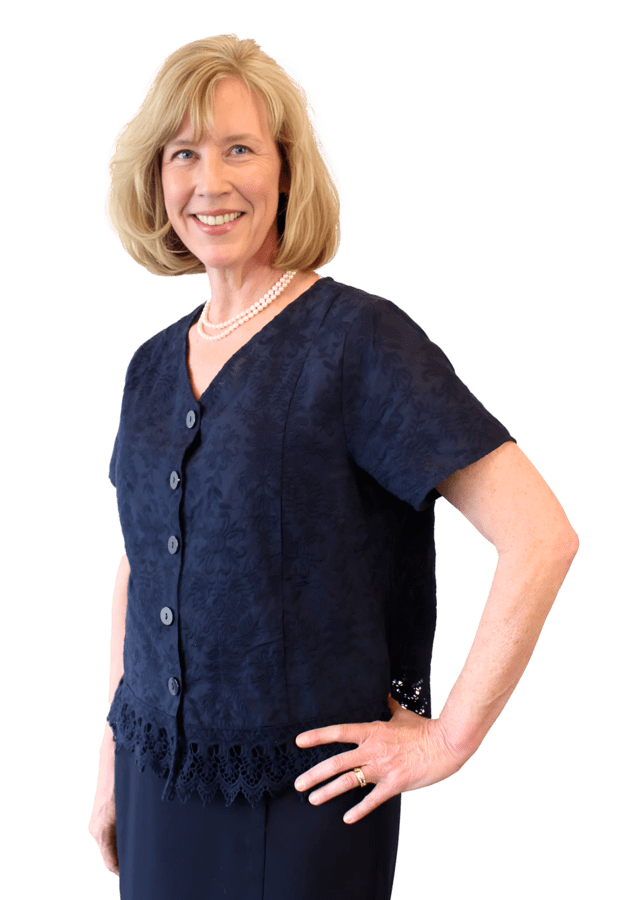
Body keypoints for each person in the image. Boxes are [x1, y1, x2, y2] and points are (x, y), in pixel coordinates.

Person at [87, 32, 580, 900]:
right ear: (154, 179)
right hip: (154, 781)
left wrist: (447, 740)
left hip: (307, 800)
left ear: (286, 169)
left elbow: (540, 537)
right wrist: (109, 761)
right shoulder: (151, 364)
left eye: (240, 149)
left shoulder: (357, 341)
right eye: (183, 153)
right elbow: (144, 561)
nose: (209, 181)